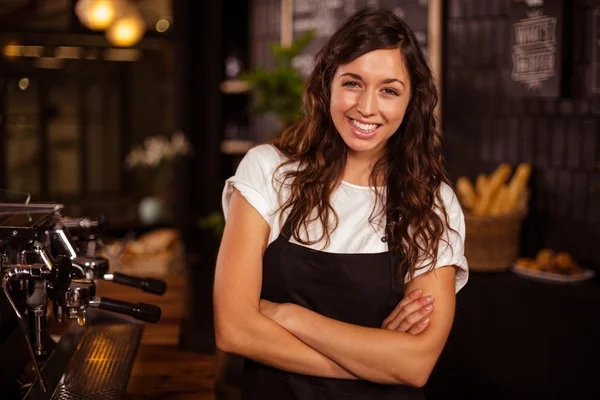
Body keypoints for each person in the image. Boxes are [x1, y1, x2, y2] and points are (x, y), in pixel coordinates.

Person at [214, 6, 468, 399]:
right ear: (327, 83)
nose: (366, 107)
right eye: (352, 82)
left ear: (411, 101)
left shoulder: (431, 203)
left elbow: (416, 365)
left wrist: (287, 315)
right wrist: (377, 362)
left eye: (389, 90)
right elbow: (234, 329)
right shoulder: (268, 172)